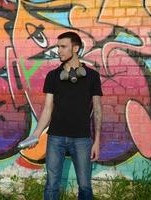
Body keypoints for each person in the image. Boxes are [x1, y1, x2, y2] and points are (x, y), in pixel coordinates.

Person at [31, 31, 102, 200]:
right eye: (58, 47)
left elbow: (98, 109)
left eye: (63, 47)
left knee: (85, 186)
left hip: (82, 139)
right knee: (51, 184)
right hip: (55, 138)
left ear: (75, 48)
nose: (59, 50)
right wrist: (35, 134)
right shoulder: (53, 76)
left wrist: (97, 141)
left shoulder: (92, 76)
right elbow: (47, 108)